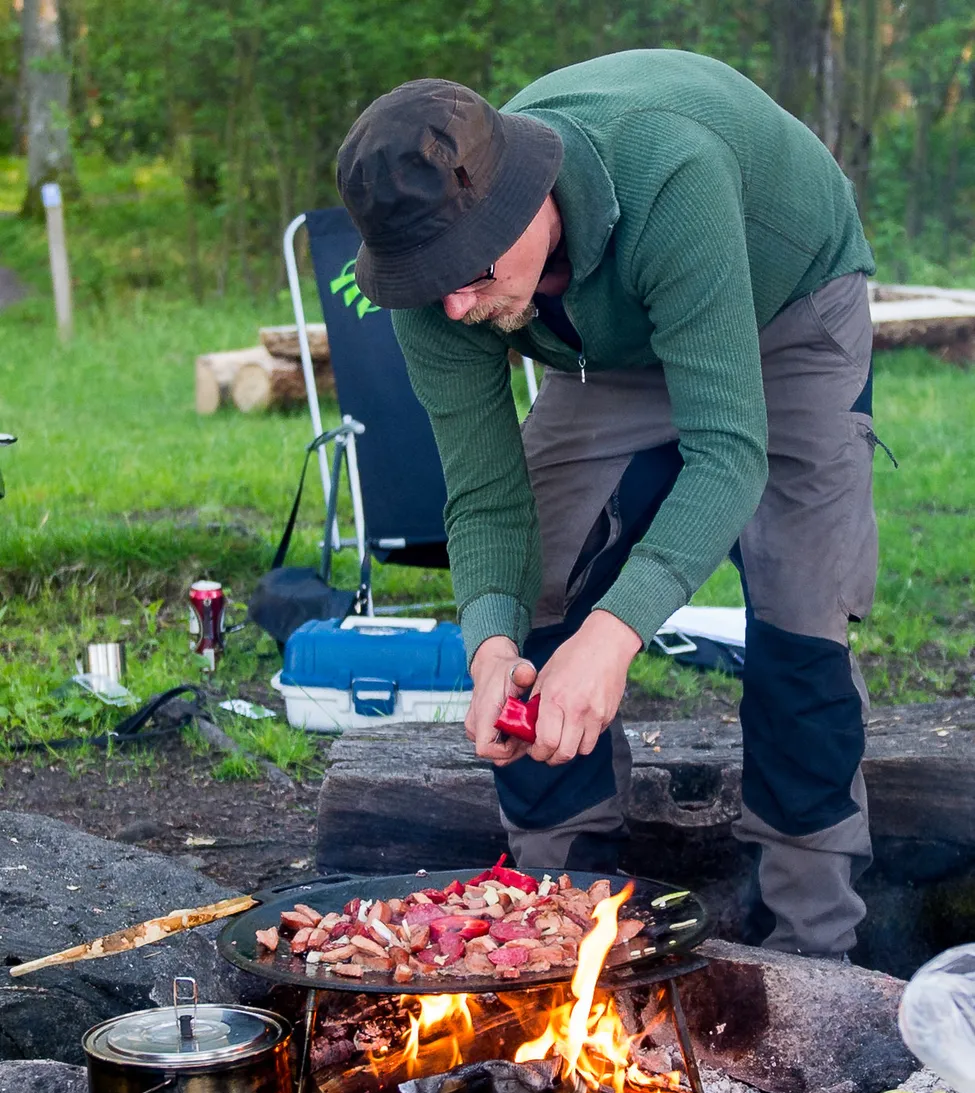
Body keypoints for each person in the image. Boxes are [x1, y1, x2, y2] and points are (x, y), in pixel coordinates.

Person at [336, 49, 880, 958]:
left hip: (784, 310)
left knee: (800, 614)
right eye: (430, 280)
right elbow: (485, 495)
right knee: (541, 592)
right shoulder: (439, 283)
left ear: (527, 200)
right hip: (605, 344)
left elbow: (726, 452)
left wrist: (616, 634)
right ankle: (559, 922)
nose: (456, 306)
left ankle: (810, 944)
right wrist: (491, 645)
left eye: (468, 271)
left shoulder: (673, 175)